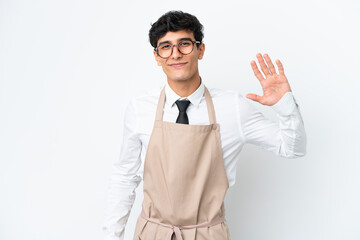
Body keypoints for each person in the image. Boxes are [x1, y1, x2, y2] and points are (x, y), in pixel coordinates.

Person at [102, 10, 306, 240]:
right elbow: (125, 176)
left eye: (185, 44)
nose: (176, 54)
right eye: (166, 47)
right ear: (157, 57)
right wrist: (111, 235)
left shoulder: (233, 108)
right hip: (152, 234)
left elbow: (292, 148)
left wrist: (285, 106)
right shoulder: (140, 108)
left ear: (201, 50)